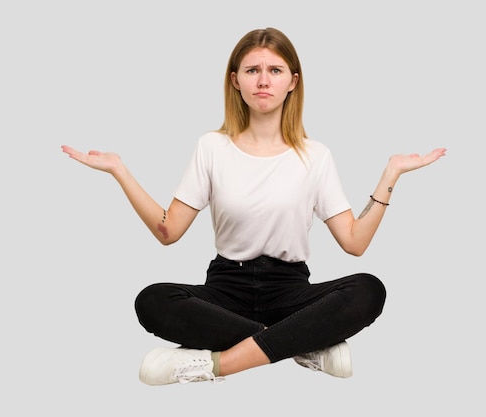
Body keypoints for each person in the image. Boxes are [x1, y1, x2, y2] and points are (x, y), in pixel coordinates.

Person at [61, 27, 446, 386]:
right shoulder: (211, 147)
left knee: (368, 289)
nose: (263, 80)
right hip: (226, 292)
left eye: (275, 70)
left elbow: (354, 243)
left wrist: (391, 174)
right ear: (235, 80)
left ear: (292, 82)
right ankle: (303, 344)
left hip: (291, 292)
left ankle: (215, 364)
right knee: (152, 299)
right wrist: (119, 170)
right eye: (253, 70)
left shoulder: (316, 156)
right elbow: (168, 231)